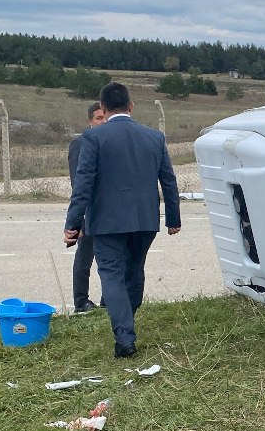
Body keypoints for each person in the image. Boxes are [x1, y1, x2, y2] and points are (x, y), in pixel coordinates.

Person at [64, 82, 181, 358]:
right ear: (130, 106)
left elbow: (83, 184)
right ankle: (127, 322)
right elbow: (169, 180)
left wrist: (73, 223)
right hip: (145, 220)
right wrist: (173, 217)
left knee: (112, 277)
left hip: (107, 222)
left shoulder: (94, 138)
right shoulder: (154, 137)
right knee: (135, 272)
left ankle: (125, 338)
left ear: (103, 108)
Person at [68, 102, 109, 312]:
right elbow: (78, 182)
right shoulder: (80, 144)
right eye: (98, 118)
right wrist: (79, 217)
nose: (103, 122)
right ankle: (81, 301)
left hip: (110, 212)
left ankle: (108, 299)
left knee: (110, 259)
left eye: (105, 117)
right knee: (85, 257)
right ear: (90, 122)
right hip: (88, 211)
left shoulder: (112, 141)